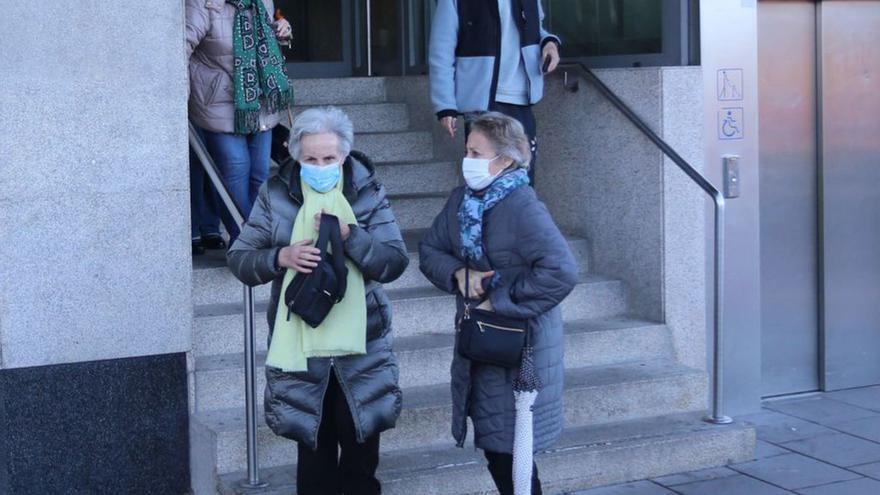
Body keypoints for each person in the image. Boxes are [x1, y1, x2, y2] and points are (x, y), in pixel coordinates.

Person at [227, 107, 407, 495]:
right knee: (314, 461)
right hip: (302, 344)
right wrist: (280, 257)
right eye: (310, 158)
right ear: (295, 155)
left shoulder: (367, 191)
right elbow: (240, 259)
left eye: (329, 158)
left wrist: (350, 237)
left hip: (363, 344)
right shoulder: (276, 194)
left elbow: (394, 262)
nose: (320, 165)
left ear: (344, 156)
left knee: (360, 458)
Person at [418, 112, 578, 495]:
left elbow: (561, 272)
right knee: (501, 451)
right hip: (484, 344)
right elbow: (430, 249)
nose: (468, 159)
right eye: (468, 150)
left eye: (477, 152)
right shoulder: (463, 199)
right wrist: (459, 274)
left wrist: (499, 300)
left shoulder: (522, 205)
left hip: (519, 348)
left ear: (505, 159)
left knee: (512, 456)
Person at [186, 0, 293, 242]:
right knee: (236, 169)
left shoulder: (263, 2)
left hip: (260, 102)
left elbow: (266, 46)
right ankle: (243, 241)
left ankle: (256, 236)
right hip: (219, 102)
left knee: (258, 173)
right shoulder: (205, 3)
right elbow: (182, 46)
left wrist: (282, 31)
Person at [429, 0, 562, 185]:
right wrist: (445, 105)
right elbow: (441, 51)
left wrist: (549, 43)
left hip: (521, 99)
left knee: (523, 179)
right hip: (482, 102)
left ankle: (518, 215)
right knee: (485, 178)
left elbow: (535, 29)